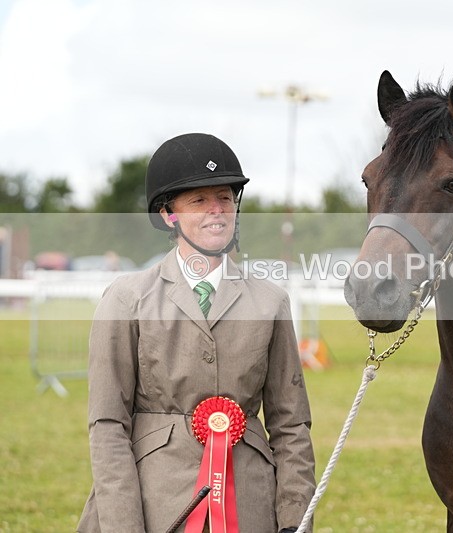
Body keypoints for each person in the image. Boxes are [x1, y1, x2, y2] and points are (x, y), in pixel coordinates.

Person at [78, 133, 315, 533]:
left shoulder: (270, 302)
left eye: (224, 198)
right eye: (199, 201)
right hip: (155, 501)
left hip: (249, 505)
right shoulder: (125, 299)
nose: (217, 211)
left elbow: (291, 425)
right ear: (169, 214)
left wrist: (294, 519)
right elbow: (108, 424)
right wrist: (122, 524)